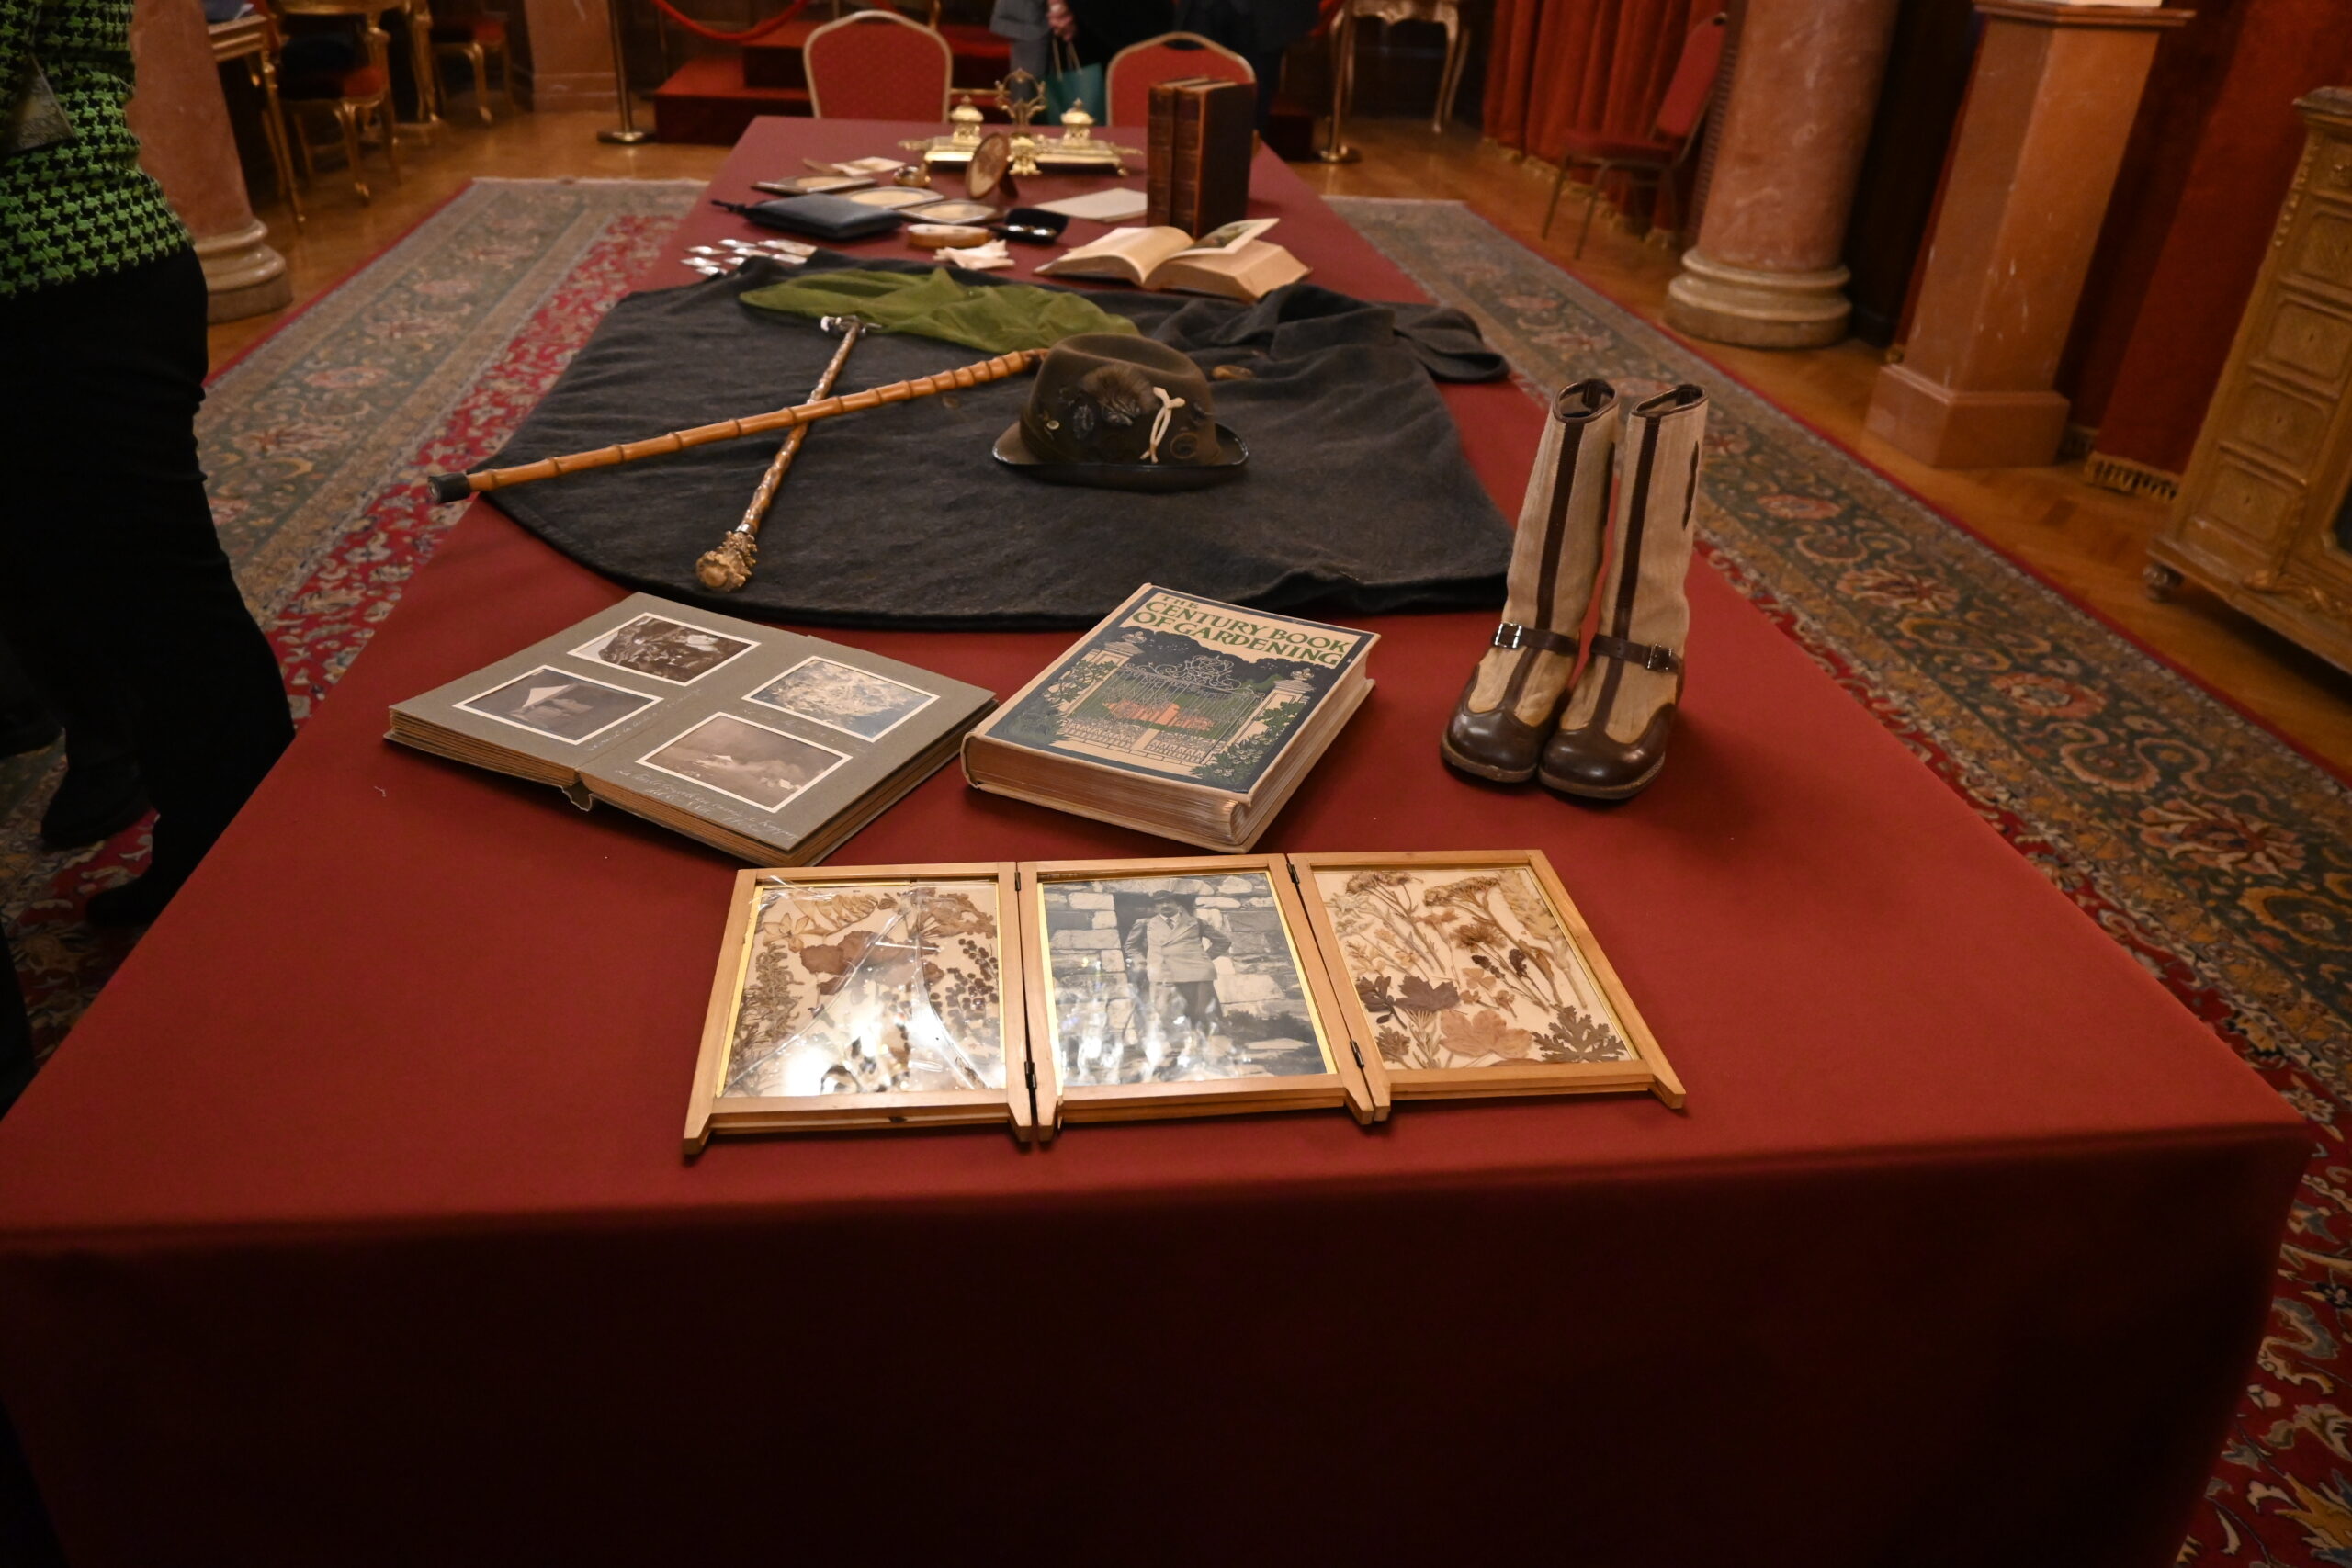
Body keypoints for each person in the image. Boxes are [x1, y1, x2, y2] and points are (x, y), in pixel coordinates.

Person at [0, 0, 295, 927]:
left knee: (165, 609)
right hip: (70, 279)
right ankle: (192, 822)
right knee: (97, 595)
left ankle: (241, 874)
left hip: (71, 288)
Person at [1123, 892, 1230, 1039]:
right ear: (1155, 907)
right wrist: (1142, 962)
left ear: (1177, 904)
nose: (1165, 905)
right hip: (1164, 974)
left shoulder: (1196, 923)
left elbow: (1223, 942)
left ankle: (1210, 1046)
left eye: (1169, 901)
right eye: (1160, 903)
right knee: (1169, 1015)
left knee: (1204, 1014)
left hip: (1197, 974)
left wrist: (1204, 958)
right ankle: (1177, 1047)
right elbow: (1130, 947)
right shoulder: (1145, 924)